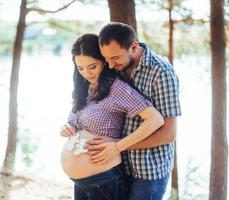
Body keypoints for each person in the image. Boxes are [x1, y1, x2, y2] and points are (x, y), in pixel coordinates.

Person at [60, 33, 164, 200]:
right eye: (80, 68)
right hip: (81, 182)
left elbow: (155, 119)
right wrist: (69, 126)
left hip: (104, 180)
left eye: (92, 66)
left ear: (104, 62)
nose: (86, 73)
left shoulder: (117, 89)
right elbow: (77, 116)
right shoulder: (85, 87)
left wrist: (117, 147)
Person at [86, 22, 181, 200]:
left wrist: (118, 145)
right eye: (106, 59)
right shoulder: (116, 67)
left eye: (115, 58)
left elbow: (168, 134)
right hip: (118, 166)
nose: (111, 65)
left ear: (133, 46)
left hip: (148, 172)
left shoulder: (161, 73)